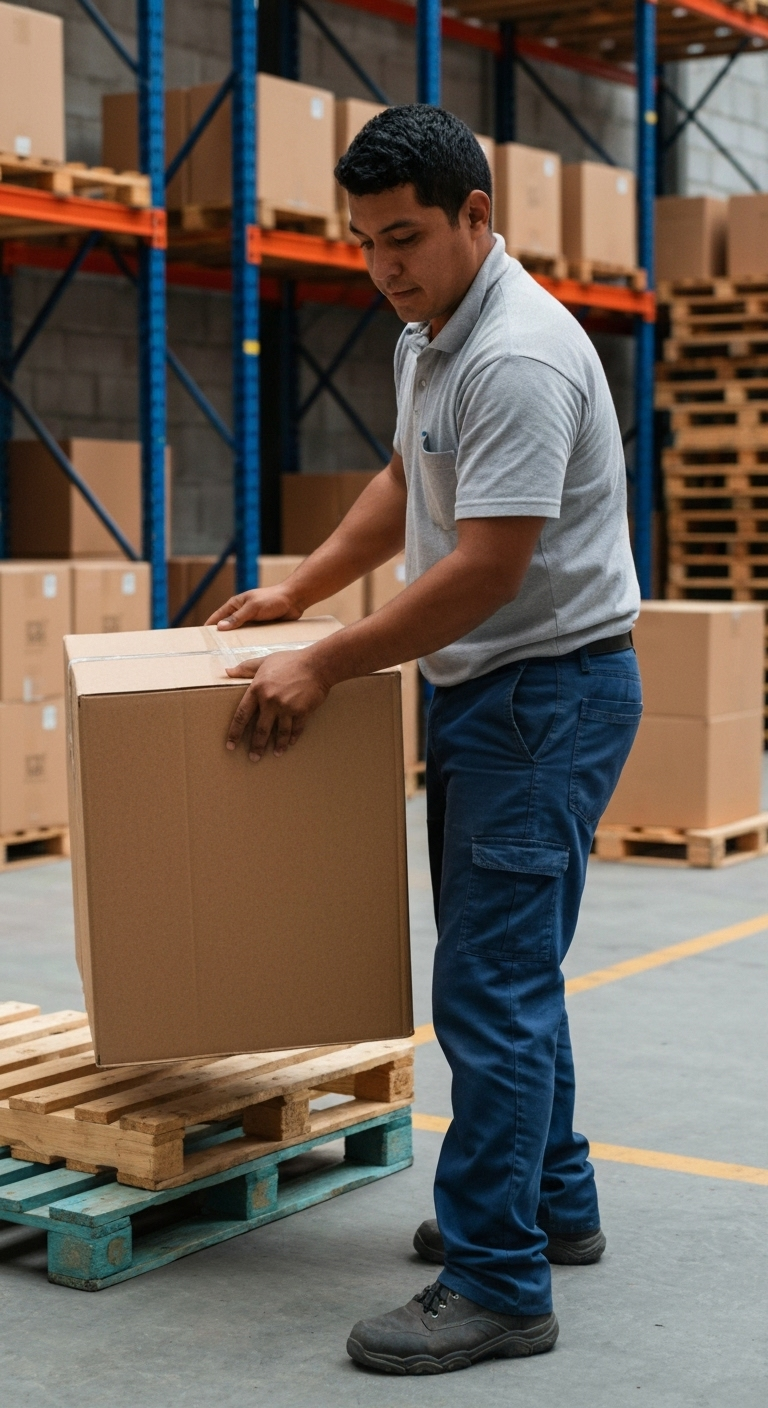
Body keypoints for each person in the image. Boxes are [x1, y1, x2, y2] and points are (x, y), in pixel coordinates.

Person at [206, 105, 642, 1376]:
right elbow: (409, 481)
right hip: (491, 693)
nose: (385, 266)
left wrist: (324, 659)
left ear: (476, 218)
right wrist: (304, 586)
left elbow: (488, 570)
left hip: (541, 695)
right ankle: (553, 1206)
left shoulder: (515, 356)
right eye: (366, 242)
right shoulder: (430, 336)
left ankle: (500, 1282)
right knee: (509, 969)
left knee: (489, 991)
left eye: (405, 238)